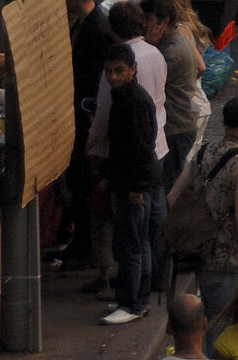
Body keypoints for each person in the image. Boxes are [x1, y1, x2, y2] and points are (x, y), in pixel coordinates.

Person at [173, 95, 238, 316]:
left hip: (202, 255)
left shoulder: (205, 150)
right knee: (225, 328)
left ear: (224, 123)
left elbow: (173, 196)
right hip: (230, 260)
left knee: (211, 320)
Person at [99, 44, 166, 326]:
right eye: (109, 71)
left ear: (132, 69)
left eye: (119, 71)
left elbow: (140, 147)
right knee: (139, 242)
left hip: (133, 182)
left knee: (131, 244)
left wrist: (136, 187)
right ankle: (139, 299)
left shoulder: (133, 102)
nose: (113, 77)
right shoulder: (127, 97)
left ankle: (132, 302)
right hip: (130, 179)